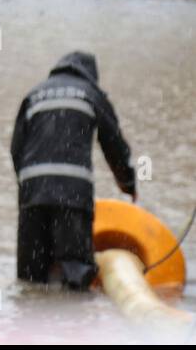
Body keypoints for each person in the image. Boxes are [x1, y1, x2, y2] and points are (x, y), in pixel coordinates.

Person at [11, 51, 136, 290]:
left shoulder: (35, 93)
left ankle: (28, 320)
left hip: (33, 195)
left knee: (31, 276)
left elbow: (16, 148)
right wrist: (128, 183)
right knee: (75, 273)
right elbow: (113, 144)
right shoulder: (91, 94)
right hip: (72, 196)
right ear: (91, 75)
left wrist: (30, 187)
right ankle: (74, 320)